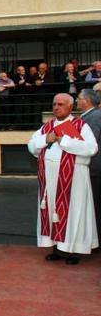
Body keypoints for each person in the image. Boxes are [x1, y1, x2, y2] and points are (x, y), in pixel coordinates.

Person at [27, 93, 99, 264]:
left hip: (73, 178)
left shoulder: (80, 125)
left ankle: (73, 251)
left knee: (73, 210)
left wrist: (63, 140)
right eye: (54, 104)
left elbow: (91, 148)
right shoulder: (47, 127)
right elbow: (31, 145)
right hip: (50, 179)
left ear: (70, 107)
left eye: (60, 104)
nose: (56, 107)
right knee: (52, 210)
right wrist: (47, 138)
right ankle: (57, 248)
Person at [77, 89, 101, 240]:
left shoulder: (95, 117)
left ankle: (95, 238)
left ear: (87, 101)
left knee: (95, 204)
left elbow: (87, 141)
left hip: (94, 167)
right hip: (93, 167)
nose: (77, 100)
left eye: (79, 98)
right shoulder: (90, 116)